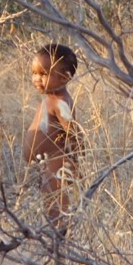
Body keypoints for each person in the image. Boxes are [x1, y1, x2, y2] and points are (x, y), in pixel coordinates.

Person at [22, 43, 81, 233]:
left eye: (44, 74)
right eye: (34, 73)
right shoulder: (50, 98)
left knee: (56, 206)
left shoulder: (61, 102)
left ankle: (61, 238)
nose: (37, 79)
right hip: (48, 164)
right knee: (49, 203)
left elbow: (74, 133)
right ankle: (55, 236)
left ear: (65, 77)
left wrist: (77, 161)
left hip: (59, 162)